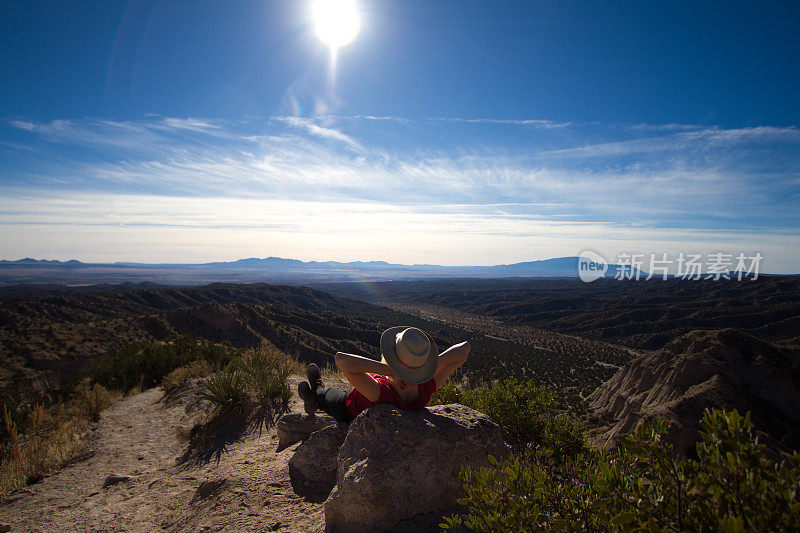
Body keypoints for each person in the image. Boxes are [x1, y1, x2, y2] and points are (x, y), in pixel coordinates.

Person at [298, 326, 470, 423]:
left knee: (326, 394)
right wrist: (427, 367)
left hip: (346, 409)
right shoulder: (426, 387)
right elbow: (464, 349)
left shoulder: (381, 391)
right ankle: (314, 396)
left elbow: (341, 360)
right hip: (373, 392)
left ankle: (315, 396)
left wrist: (391, 371)